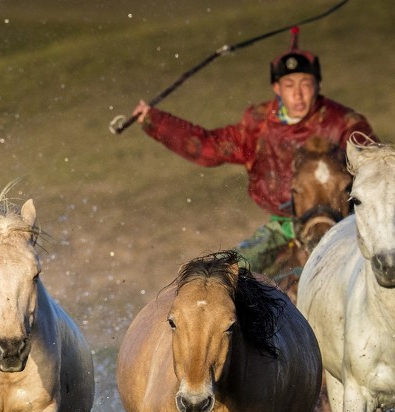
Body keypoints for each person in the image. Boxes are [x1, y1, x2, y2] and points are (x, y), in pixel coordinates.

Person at [129, 27, 376, 277]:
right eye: (289, 85)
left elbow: (377, 171)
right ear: (277, 88)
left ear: (318, 85)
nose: (298, 94)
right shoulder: (257, 125)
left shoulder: (344, 124)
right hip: (282, 230)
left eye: (306, 84)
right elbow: (206, 147)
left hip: (341, 227)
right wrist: (155, 121)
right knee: (224, 277)